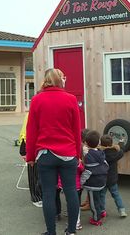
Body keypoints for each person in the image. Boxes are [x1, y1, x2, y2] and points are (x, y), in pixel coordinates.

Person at [26, 68, 81, 235]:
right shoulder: (71, 99)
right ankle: (71, 230)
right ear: (60, 80)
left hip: (46, 154)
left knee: (49, 194)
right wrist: (78, 154)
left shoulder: (37, 100)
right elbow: (76, 130)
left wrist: (30, 156)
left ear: (46, 80)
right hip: (68, 153)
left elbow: (31, 130)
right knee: (71, 191)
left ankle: (51, 232)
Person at [81, 130, 109, 226]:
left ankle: (96, 219)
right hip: (102, 181)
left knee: (93, 202)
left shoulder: (88, 156)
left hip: (93, 184)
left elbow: (87, 172)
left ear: (86, 143)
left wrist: (81, 182)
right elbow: (106, 165)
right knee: (99, 199)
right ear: (98, 143)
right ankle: (102, 211)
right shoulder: (101, 153)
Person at [99, 134, 127, 217]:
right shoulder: (116, 153)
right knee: (116, 194)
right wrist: (121, 143)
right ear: (111, 143)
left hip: (103, 179)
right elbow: (122, 151)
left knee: (102, 195)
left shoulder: (100, 153)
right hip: (113, 179)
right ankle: (122, 210)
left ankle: (102, 211)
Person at [18, 113, 42, 207]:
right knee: (34, 173)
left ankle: (41, 194)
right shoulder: (31, 114)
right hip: (31, 145)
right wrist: (24, 150)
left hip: (42, 145)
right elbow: (25, 132)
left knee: (41, 173)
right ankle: (36, 197)